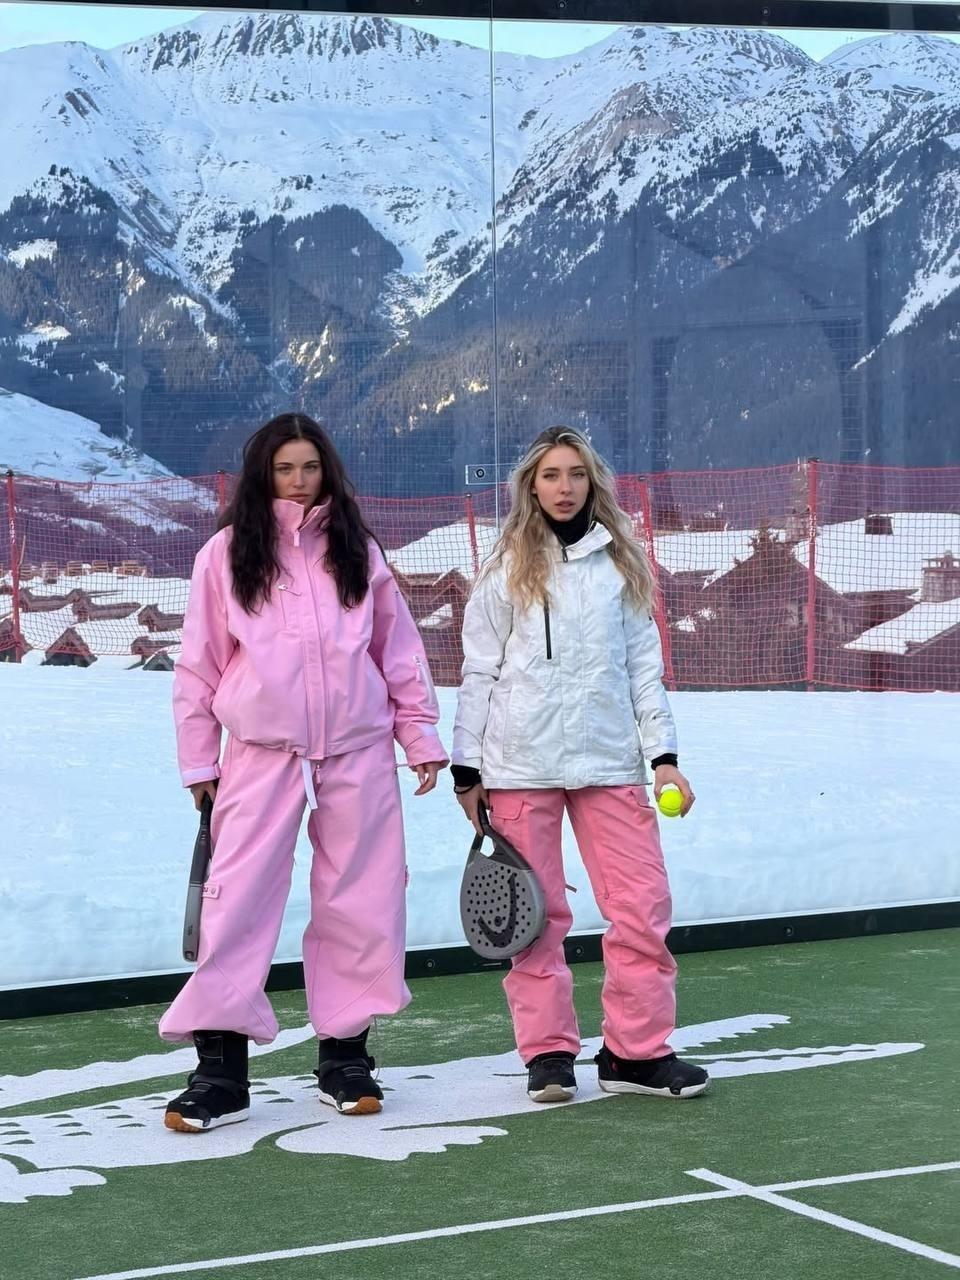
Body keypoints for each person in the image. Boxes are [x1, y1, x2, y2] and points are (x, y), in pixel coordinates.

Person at [160, 413, 447, 1131]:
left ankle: (345, 1058)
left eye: (309, 467)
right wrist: (198, 759)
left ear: (327, 472)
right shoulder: (227, 554)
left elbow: (397, 650)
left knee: (363, 900)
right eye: (285, 468)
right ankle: (220, 1072)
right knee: (236, 901)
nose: (298, 481)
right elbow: (198, 665)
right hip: (261, 753)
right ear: (263, 473)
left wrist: (418, 735)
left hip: (358, 750)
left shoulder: (355, 549)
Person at [452, 426, 708, 1104]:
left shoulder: (620, 565)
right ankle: (548, 1055)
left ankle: (635, 1054)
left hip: (610, 764)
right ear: (531, 487)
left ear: (592, 483)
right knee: (534, 917)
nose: (564, 487)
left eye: (575, 474)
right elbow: (479, 672)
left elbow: (645, 672)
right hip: (519, 767)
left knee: (642, 908)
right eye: (551, 475)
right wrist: (466, 769)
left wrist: (664, 758)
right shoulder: (505, 567)